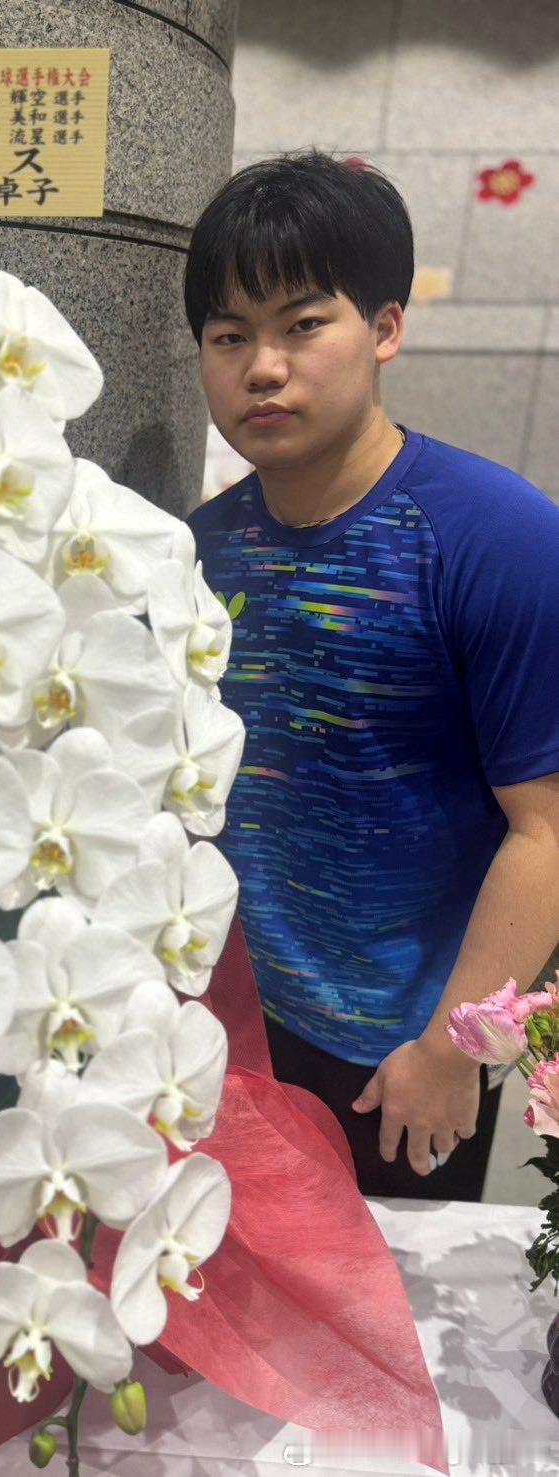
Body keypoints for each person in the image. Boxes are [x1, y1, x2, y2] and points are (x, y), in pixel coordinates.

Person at [183, 149, 559, 1200]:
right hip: (225, 1038)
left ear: (384, 328)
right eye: (228, 335)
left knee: (389, 1338)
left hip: (396, 1058)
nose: (263, 366)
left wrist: (451, 1049)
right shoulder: (195, 553)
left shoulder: (499, 538)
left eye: (303, 324)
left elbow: (547, 829)